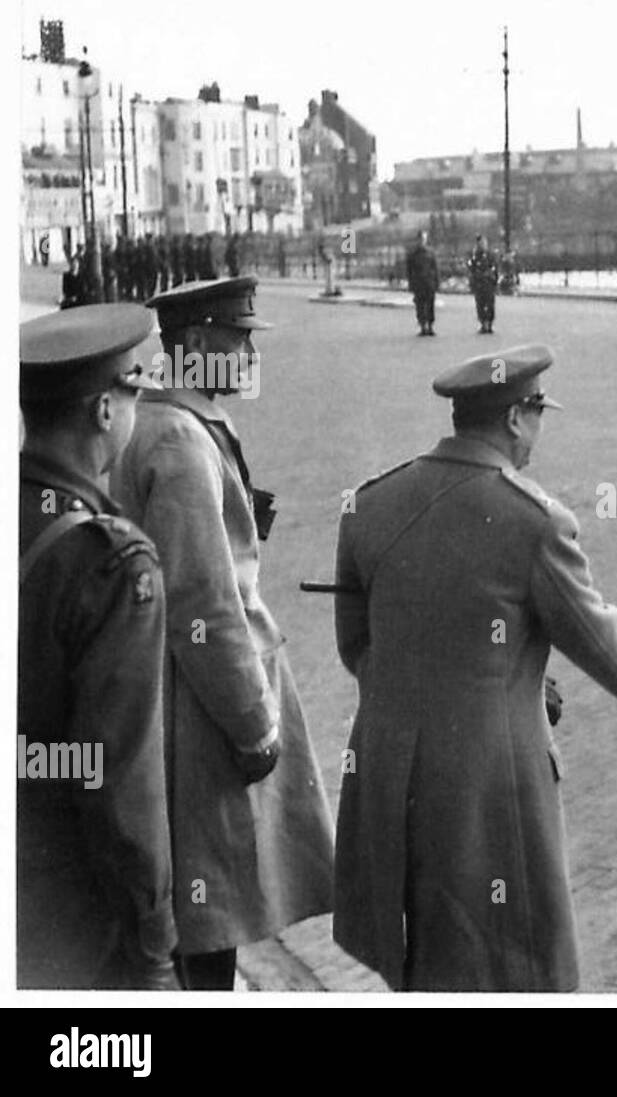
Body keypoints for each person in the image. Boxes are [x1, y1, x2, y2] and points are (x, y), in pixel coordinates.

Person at [331, 345, 617, 991]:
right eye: (540, 413)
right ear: (518, 417)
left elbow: (360, 647)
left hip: (389, 773)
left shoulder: (370, 501)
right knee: (506, 964)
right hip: (487, 789)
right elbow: (608, 648)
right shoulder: (534, 520)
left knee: (422, 961)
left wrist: (475, 674)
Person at [110, 277, 334, 990]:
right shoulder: (179, 439)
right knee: (211, 911)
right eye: (240, 341)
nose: (248, 356)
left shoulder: (157, 419)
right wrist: (254, 726)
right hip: (198, 717)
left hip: (161, 698)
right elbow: (204, 602)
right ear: (200, 345)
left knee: (191, 907)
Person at [18, 303, 178, 989]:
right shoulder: (110, 564)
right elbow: (122, 779)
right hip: (77, 924)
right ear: (105, 412)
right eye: (133, 390)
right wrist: (155, 946)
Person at [405, 229, 439, 335]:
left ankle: (430, 326)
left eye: (424, 239)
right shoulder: (412, 254)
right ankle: (423, 326)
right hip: (418, 283)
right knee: (420, 306)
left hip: (429, 283)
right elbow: (409, 271)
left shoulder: (431, 253)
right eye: (420, 239)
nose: (422, 241)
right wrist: (411, 284)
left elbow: (435, 268)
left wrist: (437, 282)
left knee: (430, 305)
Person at [468, 234, 499, 333]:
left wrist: (494, 280)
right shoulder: (474, 256)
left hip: (488, 283)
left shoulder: (491, 255)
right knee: (480, 304)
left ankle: (489, 323)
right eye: (481, 243)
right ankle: (483, 323)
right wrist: (473, 281)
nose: (483, 245)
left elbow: (495, 269)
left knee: (490, 304)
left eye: (484, 242)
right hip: (479, 284)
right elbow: (471, 269)